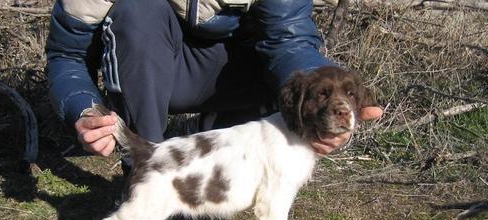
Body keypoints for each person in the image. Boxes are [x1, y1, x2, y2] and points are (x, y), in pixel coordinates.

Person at [46, 0, 383, 159]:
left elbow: (290, 42)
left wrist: (319, 105)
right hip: (154, 69)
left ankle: (217, 144)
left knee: (281, 70)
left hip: (231, 73)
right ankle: (147, 170)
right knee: (136, 10)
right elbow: (67, 56)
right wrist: (84, 111)